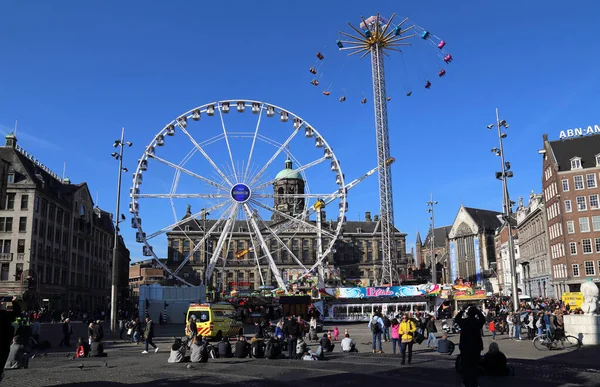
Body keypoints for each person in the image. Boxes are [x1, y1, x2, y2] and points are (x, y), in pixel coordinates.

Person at [457, 306, 486, 387]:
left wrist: (462, 310)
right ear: (475, 314)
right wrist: (478, 312)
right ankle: (474, 383)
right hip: (476, 346)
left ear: (468, 313)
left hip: (465, 345)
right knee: (474, 365)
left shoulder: (464, 322)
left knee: (465, 365)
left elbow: (456, 319)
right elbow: (483, 319)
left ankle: (465, 382)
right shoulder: (477, 322)